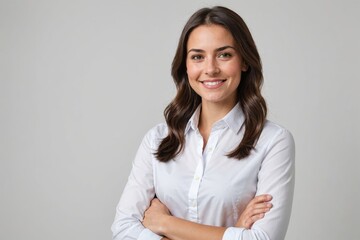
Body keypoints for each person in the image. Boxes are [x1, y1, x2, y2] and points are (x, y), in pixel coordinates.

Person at [112, 5, 295, 240]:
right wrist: (233, 231)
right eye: (198, 57)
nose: (210, 68)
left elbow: (262, 239)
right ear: (185, 66)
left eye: (224, 54)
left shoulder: (273, 141)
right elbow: (123, 231)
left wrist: (165, 223)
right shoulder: (157, 140)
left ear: (244, 61)